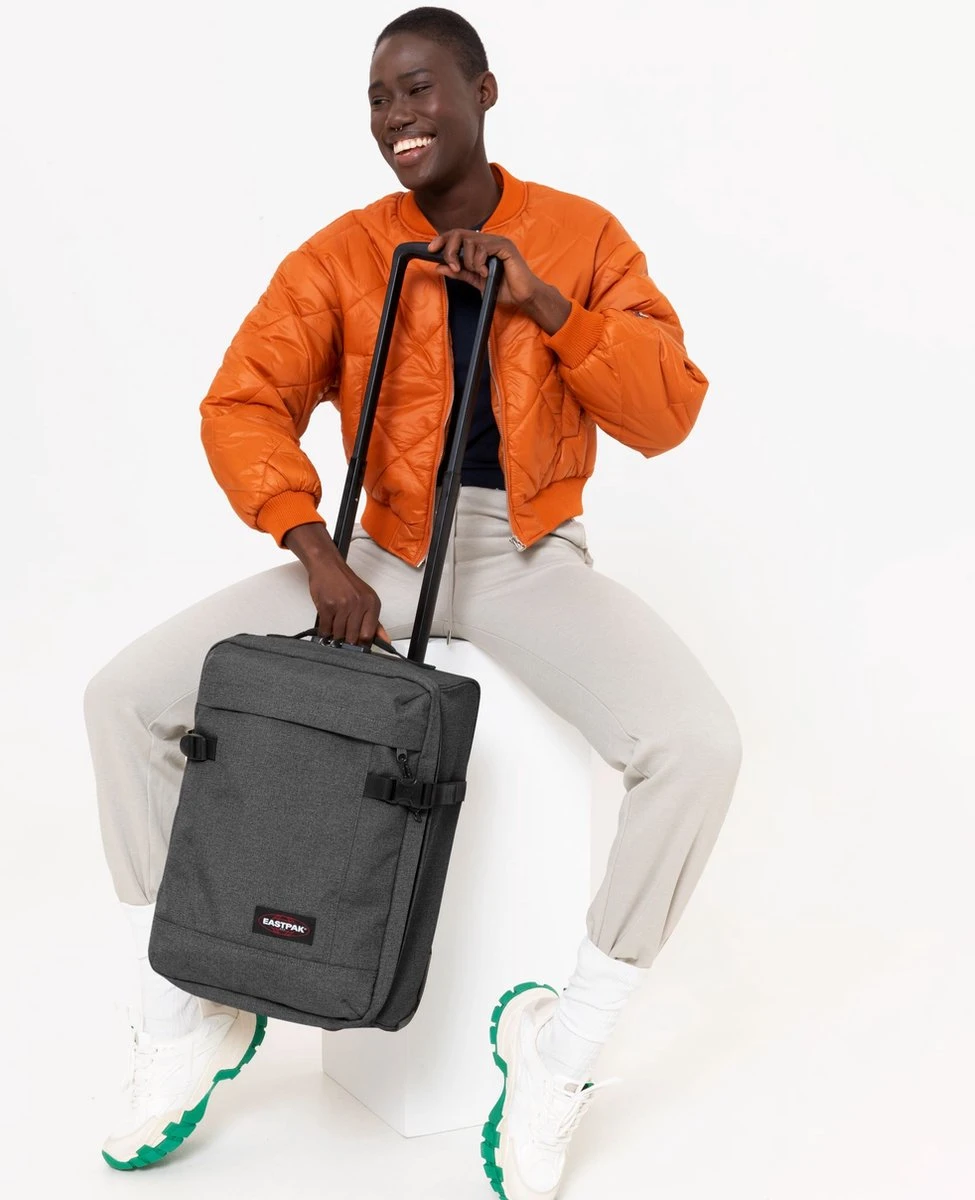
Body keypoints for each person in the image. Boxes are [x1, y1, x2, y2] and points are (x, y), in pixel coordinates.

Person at [83, 6, 743, 1197]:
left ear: (484, 90)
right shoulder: (343, 254)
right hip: (376, 550)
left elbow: (667, 412)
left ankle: (561, 1051)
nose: (398, 115)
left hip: (526, 554)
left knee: (696, 747)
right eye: (380, 97)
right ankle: (186, 1009)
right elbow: (241, 403)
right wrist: (315, 555)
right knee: (125, 700)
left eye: (420, 87)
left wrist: (550, 306)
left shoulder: (583, 236)